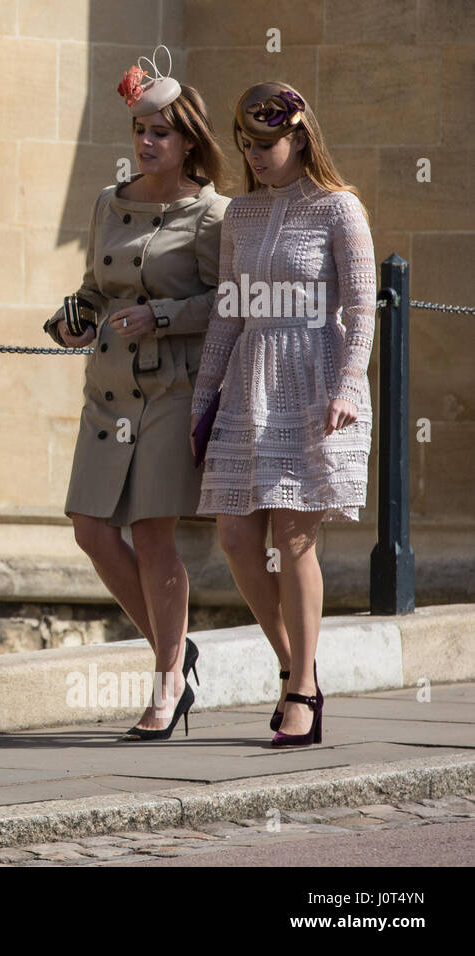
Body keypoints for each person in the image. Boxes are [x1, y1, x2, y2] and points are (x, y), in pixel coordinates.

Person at [44, 47, 228, 741]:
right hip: (109, 386)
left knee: (152, 533)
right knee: (91, 529)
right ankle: (175, 653)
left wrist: (163, 316)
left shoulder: (212, 215)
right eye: (140, 132)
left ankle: (167, 678)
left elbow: (225, 303)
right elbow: (94, 288)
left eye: (161, 133)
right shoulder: (107, 203)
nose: (147, 144)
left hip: (173, 384)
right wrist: (73, 319)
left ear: (188, 141)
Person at [191, 83, 374, 748]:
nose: (254, 155)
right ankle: (295, 665)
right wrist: (203, 397)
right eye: (245, 145)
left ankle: (301, 693)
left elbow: (361, 308)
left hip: (315, 381)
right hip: (249, 382)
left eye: (265, 144)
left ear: (299, 137)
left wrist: (349, 385)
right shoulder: (238, 214)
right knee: (237, 538)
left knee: (293, 538)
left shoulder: (339, 209)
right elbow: (227, 312)